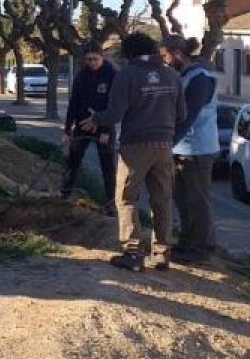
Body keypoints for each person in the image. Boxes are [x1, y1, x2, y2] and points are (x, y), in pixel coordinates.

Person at [80, 31, 184, 272]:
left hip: (135, 146)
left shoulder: (127, 75)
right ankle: (161, 255)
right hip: (164, 145)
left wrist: (96, 119)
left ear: (129, 54)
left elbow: (115, 114)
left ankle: (133, 253)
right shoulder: (171, 75)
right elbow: (182, 114)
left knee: (126, 198)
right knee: (162, 200)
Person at [162, 35, 219, 264]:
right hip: (182, 148)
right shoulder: (183, 76)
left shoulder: (200, 79)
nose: (164, 61)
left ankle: (202, 248)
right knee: (182, 200)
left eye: (165, 56)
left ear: (177, 54)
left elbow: (187, 117)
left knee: (197, 200)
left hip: (198, 150)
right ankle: (186, 242)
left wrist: (167, 143)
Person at [62, 43, 117, 207]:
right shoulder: (81, 76)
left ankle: (110, 204)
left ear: (102, 57)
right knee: (72, 163)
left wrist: (106, 128)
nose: (92, 63)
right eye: (88, 60)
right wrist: (67, 129)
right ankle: (64, 196)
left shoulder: (112, 75)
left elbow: (115, 105)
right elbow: (73, 103)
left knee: (107, 167)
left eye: (95, 59)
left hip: (104, 128)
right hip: (82, 125)